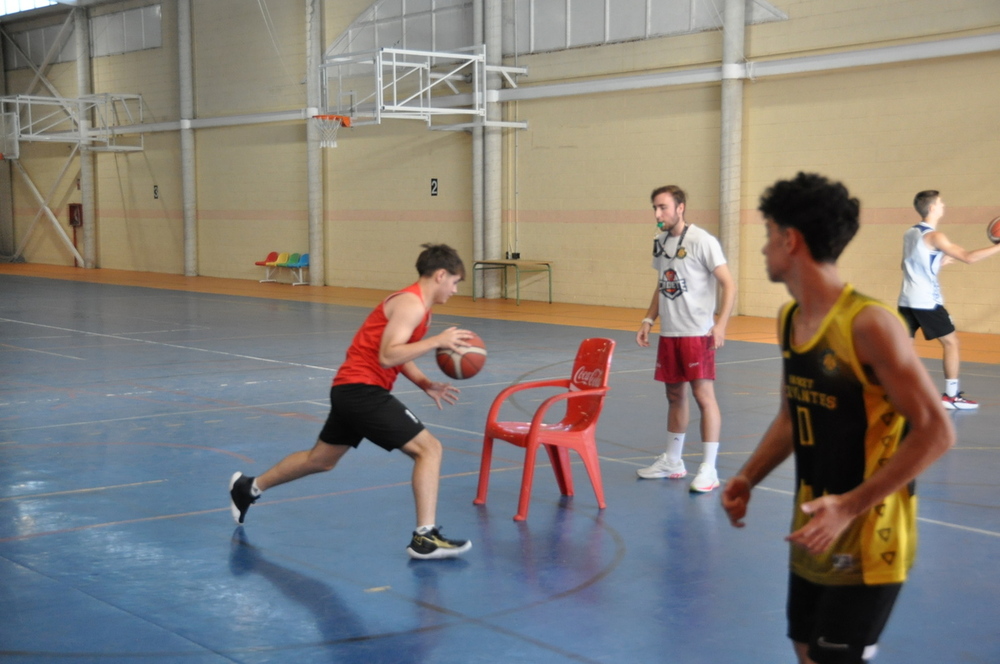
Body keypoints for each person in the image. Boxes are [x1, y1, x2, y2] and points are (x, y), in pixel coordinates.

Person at [722, 172, 954, 664]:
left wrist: (849, 506)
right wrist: (748, 476)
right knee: (806, 650)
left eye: (768, 235)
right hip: (813, 524)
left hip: (871, 534)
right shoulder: (791, 319)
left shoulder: (869, 324)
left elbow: (937, 431)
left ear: (790, 239)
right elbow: (792, 413)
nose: (764, 249)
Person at [229, 243, 474, 560]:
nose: (454, 290)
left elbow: (396, 353)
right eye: (454, 282)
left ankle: (248, 488)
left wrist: (425, 383)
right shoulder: (411, 305)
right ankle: (424, 537)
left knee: (321, 460)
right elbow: (388, 356)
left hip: (351, 390)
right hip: (362, 391)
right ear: (440, 275)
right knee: (430, 449)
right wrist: (437, 341)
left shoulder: (417, 307)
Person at [636, 185, 736, 493]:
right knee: (674, 397)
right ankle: (673, 461)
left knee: (704, 397)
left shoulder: (702, 240)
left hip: (697, 333)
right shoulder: (660, 241)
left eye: (663, 207)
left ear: (680, 208)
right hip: (671, 333)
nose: (657, 214)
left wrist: (720, 325)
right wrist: (649, 318)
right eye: (655, 208)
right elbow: (661, 283)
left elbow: (729, 285)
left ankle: (709, 468)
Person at [897, 189, 1000, 409]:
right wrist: (998, 247)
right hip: (926, 301)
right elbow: (968, 258)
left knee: (904, 349)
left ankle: (896, 392)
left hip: (906, 299)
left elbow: (906, 265)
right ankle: (951, 397)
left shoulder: (910, 233)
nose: (944, 206)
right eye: (941, 203)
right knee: (951, 343)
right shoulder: (936, 236)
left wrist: (936, 263)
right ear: (932, 208)